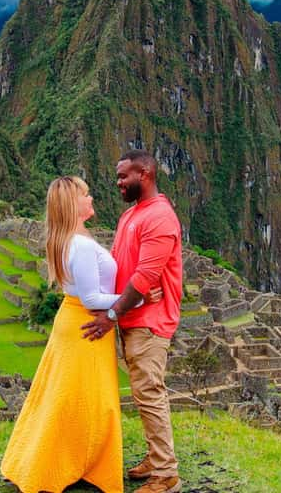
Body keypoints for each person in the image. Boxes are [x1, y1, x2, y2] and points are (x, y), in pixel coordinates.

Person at [2, 176, 140, 493]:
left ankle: (67, 461)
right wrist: (137, 299)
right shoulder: (78, 245)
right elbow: (91, 299)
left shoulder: (71, 239)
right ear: (72, 204)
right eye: (86, 194)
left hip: (76, 322)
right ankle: (58, 465)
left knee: (68, 395)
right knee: (82, 400)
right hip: (86, 324)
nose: (92, 198)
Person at [82, 150, 183, 493]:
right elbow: (120, 266)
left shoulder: (160, 217)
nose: (119, 182)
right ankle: (156, 460)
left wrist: (111, 315)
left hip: (149, 322)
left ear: (147, 173)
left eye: (125, 176)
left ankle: (166, 474)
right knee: (143, 394)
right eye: (118, 176)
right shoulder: (130, 216)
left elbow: (145, 276)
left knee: (150, 393)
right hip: (133, 315)